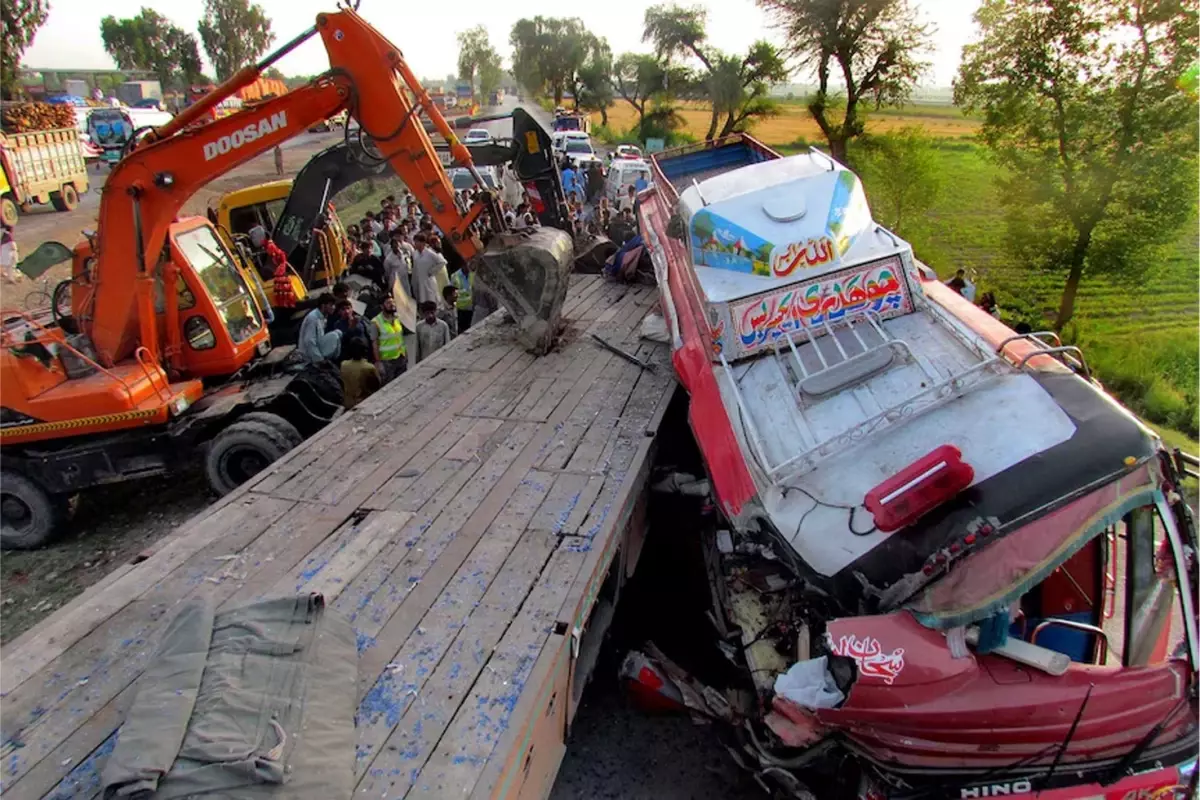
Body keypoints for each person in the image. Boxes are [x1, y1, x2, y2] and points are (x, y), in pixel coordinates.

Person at [371, 295, 408, 383]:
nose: (392, 304)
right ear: (382, 306)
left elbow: (400, 338)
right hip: (387, 361)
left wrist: (405, 354)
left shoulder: (397, 318)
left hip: (401, 357)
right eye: (388, 303)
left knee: (404, 383)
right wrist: (378, 362)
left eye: (393, 302)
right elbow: (374, 343)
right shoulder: (375, 322)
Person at [339, 336, 381, 410]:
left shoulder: (343, 365)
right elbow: (377, 385)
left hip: (348, 403)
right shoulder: (369, 367)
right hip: (363, 403)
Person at [298, 294, 341, 364]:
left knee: (338, 333)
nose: (334, 307)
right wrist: (319, 359)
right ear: (323, 306)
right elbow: (309, 341)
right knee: (334, 335)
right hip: (308, 354)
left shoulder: (323, 316)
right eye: (331, 305)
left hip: (317, 347)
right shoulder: (313, 318)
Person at [411, 232, 446, 305]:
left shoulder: (430, 253)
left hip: (428, 281)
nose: (415, 244)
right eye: (415, 242)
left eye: (417, 242)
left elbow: (442, 262)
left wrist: (432, 271)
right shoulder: (415, 253)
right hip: (419, 281)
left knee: (431, 300)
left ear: (423, 242)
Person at [383, 234, 413, 298]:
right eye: (394, 246)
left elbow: (408, 263)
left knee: (407, 296)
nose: (396, 247)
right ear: (391, 247)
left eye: (397, 245)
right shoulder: (388, 259)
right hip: (395, 280)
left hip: (405, 279)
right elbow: (387, 271)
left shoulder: (405, 253)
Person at [451, 264, 474, 333]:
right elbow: (453, 293)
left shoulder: (474, 274)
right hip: (461, 309)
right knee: (462, 332)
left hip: (473, 307)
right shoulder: (455, 276)